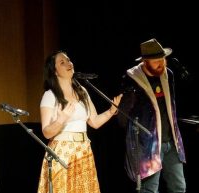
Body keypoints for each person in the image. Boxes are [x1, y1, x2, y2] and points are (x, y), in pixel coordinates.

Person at [37, 50, 123, 193]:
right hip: (62, 152)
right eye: (62, 62)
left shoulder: (82, 91)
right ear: (55, 71)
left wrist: (110, 112)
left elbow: (94, 122)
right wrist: (61, 120)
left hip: (83, 151)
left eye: (68, 60)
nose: (68, 63)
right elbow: (46, 132)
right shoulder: (50, 95)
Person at [117, 38, 186, 193]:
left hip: (171, 142)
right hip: (148, 144)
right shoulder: (132, 79)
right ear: (145, 62)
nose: (161, 63)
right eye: (157, 61)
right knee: (149, 190)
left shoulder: (168, 75)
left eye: (163, 59)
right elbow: (122, 119)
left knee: (179, 187)